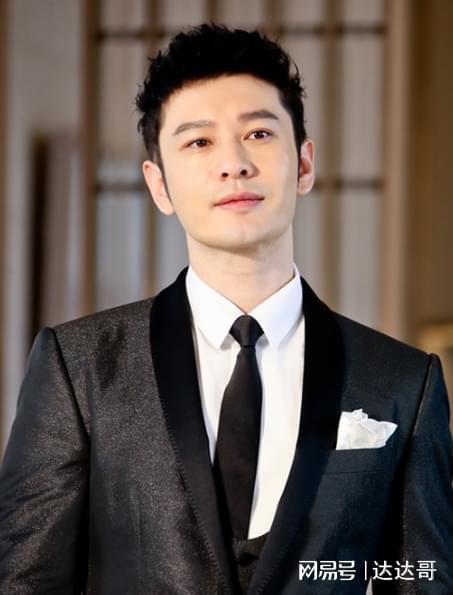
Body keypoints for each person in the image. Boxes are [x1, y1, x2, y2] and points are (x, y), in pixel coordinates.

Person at [0, 23, 452, 595]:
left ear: (304, 163)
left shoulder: (403, 382)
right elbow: (26, 582)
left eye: (259, 133)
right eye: (199, 142)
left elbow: (425, 579)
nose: (233, 163)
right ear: (159, 185)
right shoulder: (80, 367)